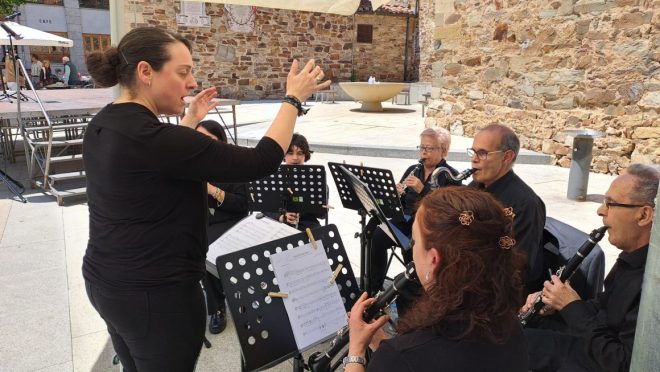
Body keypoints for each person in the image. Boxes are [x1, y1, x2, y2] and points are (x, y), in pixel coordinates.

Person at [82, 26, 330, 372]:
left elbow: (155, 164)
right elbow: (261, 160)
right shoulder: (157, 138)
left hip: (105, 281)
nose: (193, 82)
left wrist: (190, 122)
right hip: (157, 295)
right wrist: (292, 100)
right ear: (145, 72)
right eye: (183, 72)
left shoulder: (103, 123)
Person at [346, 187, 529, 372]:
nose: (412, 248)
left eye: (414, 241)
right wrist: (382, 344)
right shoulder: (512, 329)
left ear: (434, 259)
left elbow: (411, 359)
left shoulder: (400, 356)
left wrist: (356, 350)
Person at [523, 164, 659, 372]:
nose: (600, 210)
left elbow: (621, 362)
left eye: (610, 204)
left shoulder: (652, 284)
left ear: (643, 215)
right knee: (513, 331)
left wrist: (571, 307)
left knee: (517, 347)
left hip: (601, 360)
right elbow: (605, 308)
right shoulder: (631, 257)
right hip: (593, 345)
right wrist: (558, 304)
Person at [367, 127, 461, 299]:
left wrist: (422, 189)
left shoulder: (450, 176)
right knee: (378, 235)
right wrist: (394, 195)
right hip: (407, 220)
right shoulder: (414, 169)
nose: (424, 153)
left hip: (429, 227)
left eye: (429, 149)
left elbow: (447, 211)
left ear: (444, 151)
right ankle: (376, 288)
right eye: (422, 148)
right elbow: (401, 204)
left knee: (412, 246)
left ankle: (415, 289)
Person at [468, 124, 546, 295]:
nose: (474, 159)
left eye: (482, 153)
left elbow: (519, 267)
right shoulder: (474, 186)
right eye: (473, 152)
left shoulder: (526, 204)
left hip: (495, 293)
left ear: (507, 157)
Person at [196, 119, 249, 335]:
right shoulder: (191, 164)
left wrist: (212, 191)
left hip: (231, 221)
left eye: (209, 140)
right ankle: (216, 307)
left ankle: (233, 300)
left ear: (221, 142)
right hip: (202, 222)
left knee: (207, 247)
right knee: (198, 245)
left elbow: (243, 205)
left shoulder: (234, 166)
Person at [274, 133, 324, 231]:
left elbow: (322, 214)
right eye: (290, 153)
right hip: (279, 223)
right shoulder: (276, 176)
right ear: (284, 155)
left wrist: (307, 206)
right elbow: (265, 208)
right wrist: (282, 217)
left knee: (322, 241)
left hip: (307, 223)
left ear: (306, 155)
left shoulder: (315, 178)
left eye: (300, 153)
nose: (295, 158)